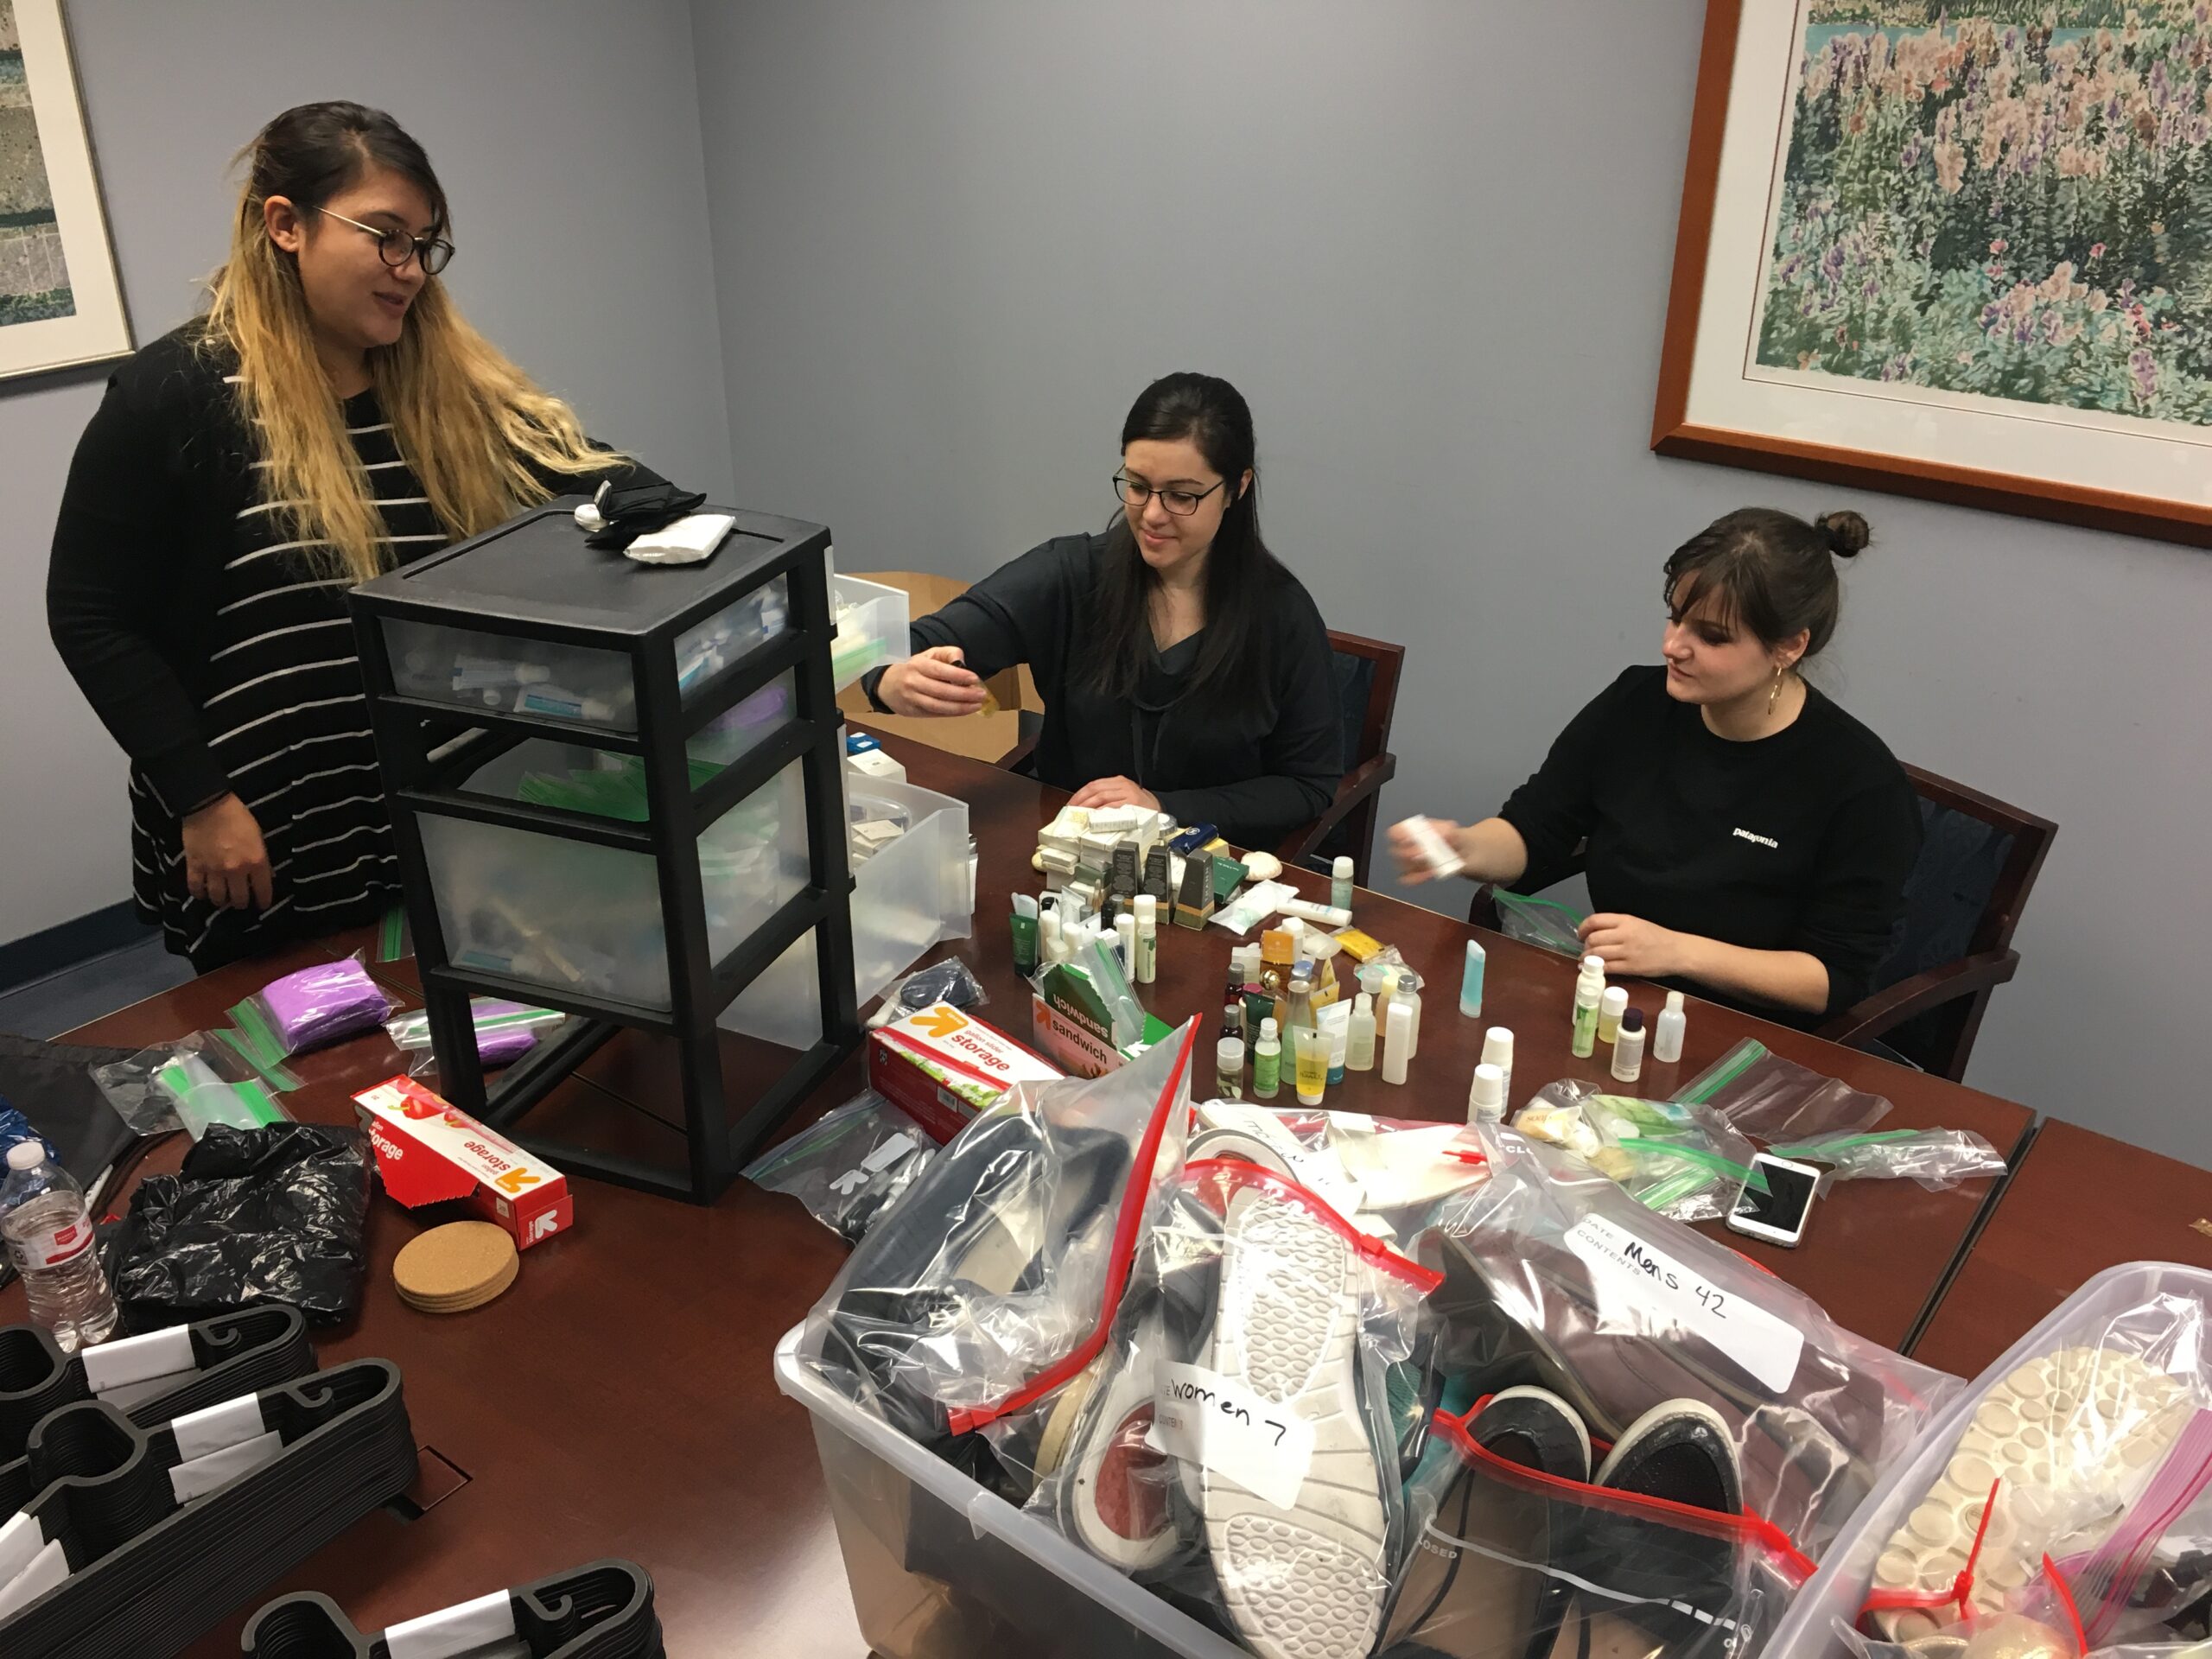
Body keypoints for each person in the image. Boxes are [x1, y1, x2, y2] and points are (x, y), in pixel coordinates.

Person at [48, 102, 652, 970]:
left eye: (425, 244)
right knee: (291, 1035)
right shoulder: (175, 395)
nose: (411, 271)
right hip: (258, 824)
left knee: (435, 1011)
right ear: (286, 225)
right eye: (386, 236)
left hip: (422, 806)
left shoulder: (439, 388)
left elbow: (588, 472)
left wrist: (688, 531)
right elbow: (89, 618)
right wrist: (201, 801)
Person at [1395, 507, 1921, 1024]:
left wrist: (1676, 952)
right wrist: (1464, 849)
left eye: (1711, 636)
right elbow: (1536, 830)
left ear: (1789, 646)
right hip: (1615, 1001)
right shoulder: (1635, 704)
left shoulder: (1861, 784)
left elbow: (1833, 977)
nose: (1673, 646)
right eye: (1675, 617)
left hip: (1751, 1036)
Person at [862, 372, 1342, 850]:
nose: (1152, 514)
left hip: (1208, 862)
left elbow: (1307, 785)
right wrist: (888, 679)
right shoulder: (1069, 575)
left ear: (1237, 487)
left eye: (1182, 495)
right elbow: (906, 645)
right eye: (1138, 486)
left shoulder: (1282, 616)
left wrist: (1161, 806)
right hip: (1068, 851)